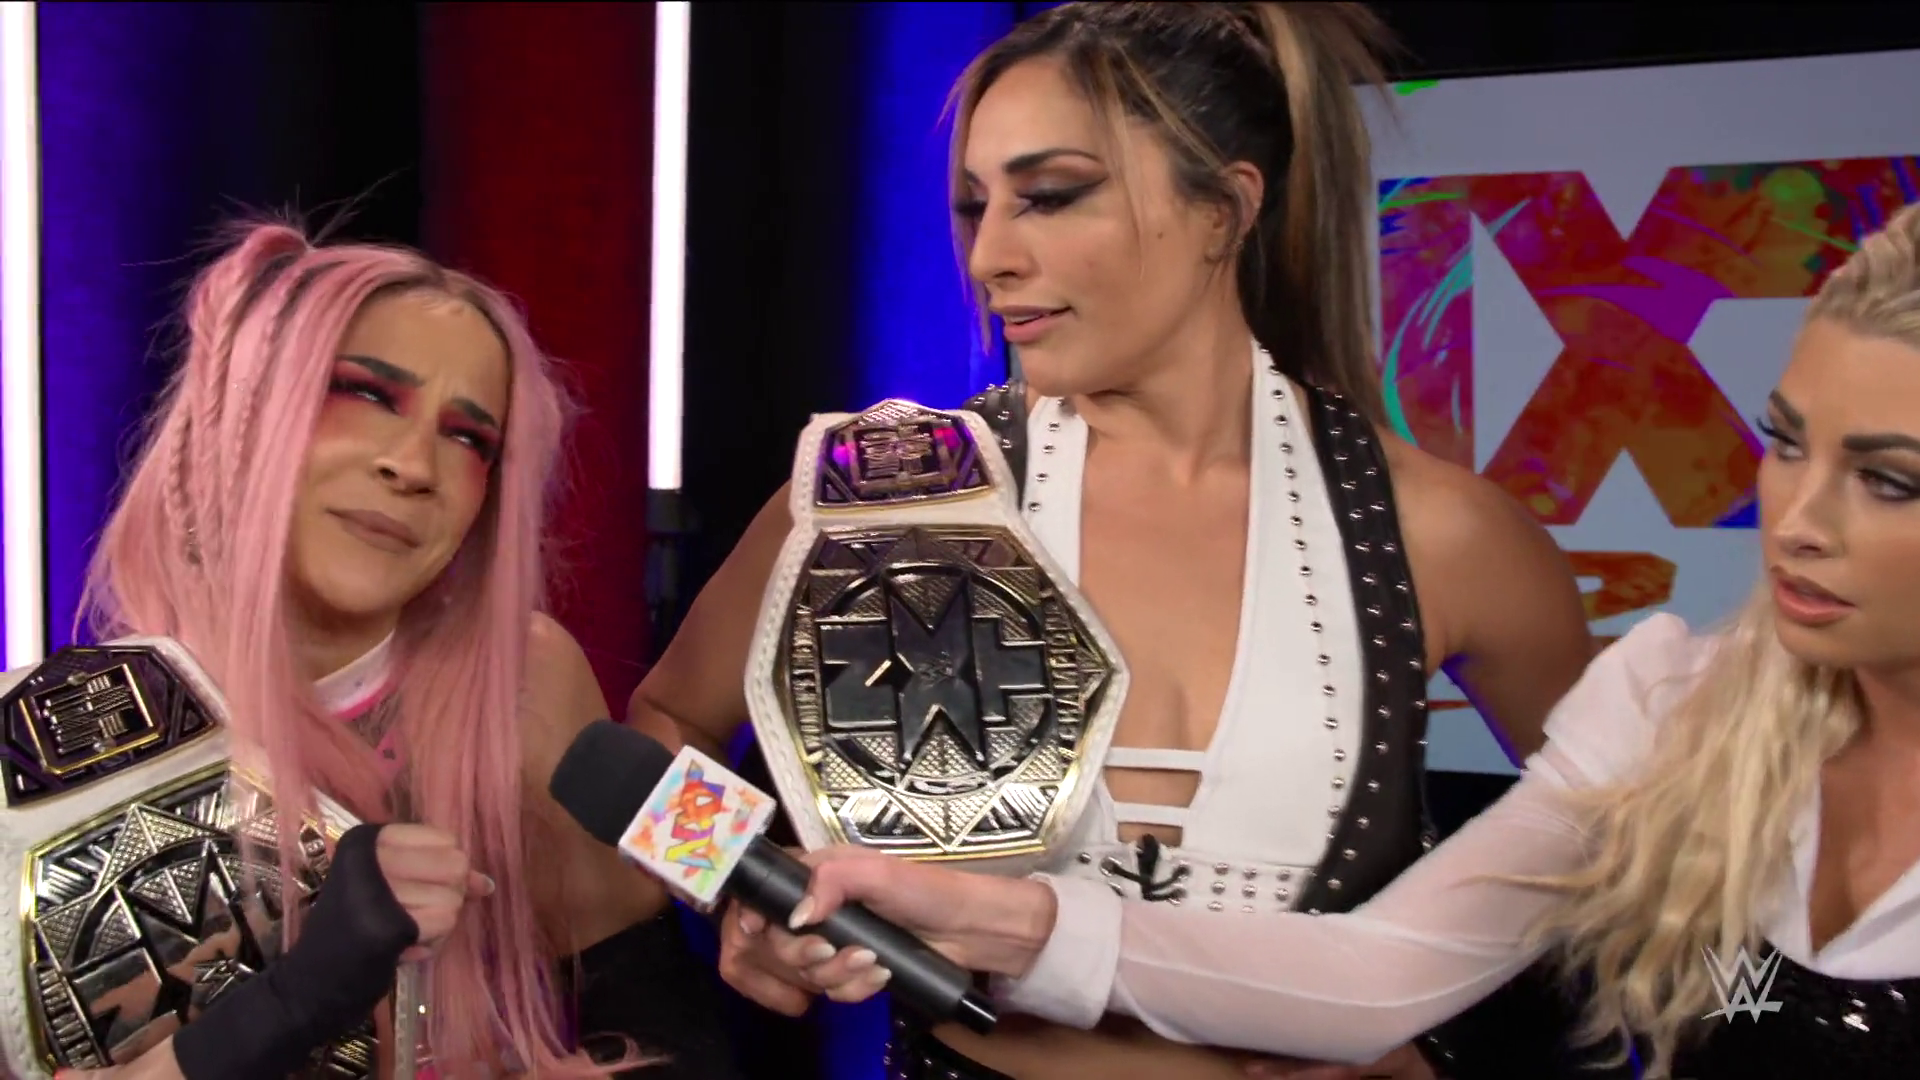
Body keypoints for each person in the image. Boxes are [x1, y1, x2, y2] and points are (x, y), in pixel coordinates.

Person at [629, 4, 1594, 1078]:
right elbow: (659, 729)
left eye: (1050, 196)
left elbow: (1635, 849)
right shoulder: (888, 495)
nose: (991, 256)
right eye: (976, 205)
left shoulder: (1435, 533)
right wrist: (737, 885)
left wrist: (1431, 1041)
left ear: (1226, 209)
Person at [759, 200, 1920, 1080]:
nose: (1798, 521)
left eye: (1888, 480)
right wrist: (1009, 922)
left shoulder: (1433, 528)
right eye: (1786, 444)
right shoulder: (1673, 703)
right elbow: (1381, 975)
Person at [13, 221, 735, 1078]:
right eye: (365, 393)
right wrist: (296, 998)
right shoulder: (34, 766)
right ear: (241, 415)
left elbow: (670, 1022)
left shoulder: (529, 680)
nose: (413, 464)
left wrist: (765, 896)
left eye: (468, 438)